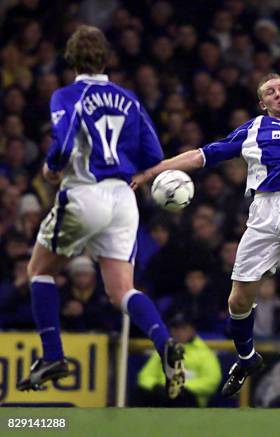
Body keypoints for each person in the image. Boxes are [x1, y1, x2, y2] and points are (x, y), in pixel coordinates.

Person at [131, 72, 280, 397]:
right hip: (262, 213)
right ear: (263, 103)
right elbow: (201, 155)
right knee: (238, 300)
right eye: (269, 92)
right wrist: (153, 171)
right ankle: (246, 358)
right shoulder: (253, 128)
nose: (277, 94)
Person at [17, 26, 185, 399]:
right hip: (124, 198)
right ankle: (164, 342)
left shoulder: (67, 95)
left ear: (71, 58)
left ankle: (53, 356)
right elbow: (155, 155)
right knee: (122, 289)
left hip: (85, 192)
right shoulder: (129, 98)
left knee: (39, 271)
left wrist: (49, 168)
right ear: (106, 58)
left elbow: (60, 146)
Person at [136, 312, 222, 407]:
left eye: (183, 328)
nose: (178, 332)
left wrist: (182, 387)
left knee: (180, 396)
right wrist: (155, 386)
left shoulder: (204, 353)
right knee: (143, 393)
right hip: (162, 395)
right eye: (175, 328)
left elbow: (211, 382)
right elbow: (144, 376)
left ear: (192, 330)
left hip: (190, 400)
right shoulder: (164, 349)